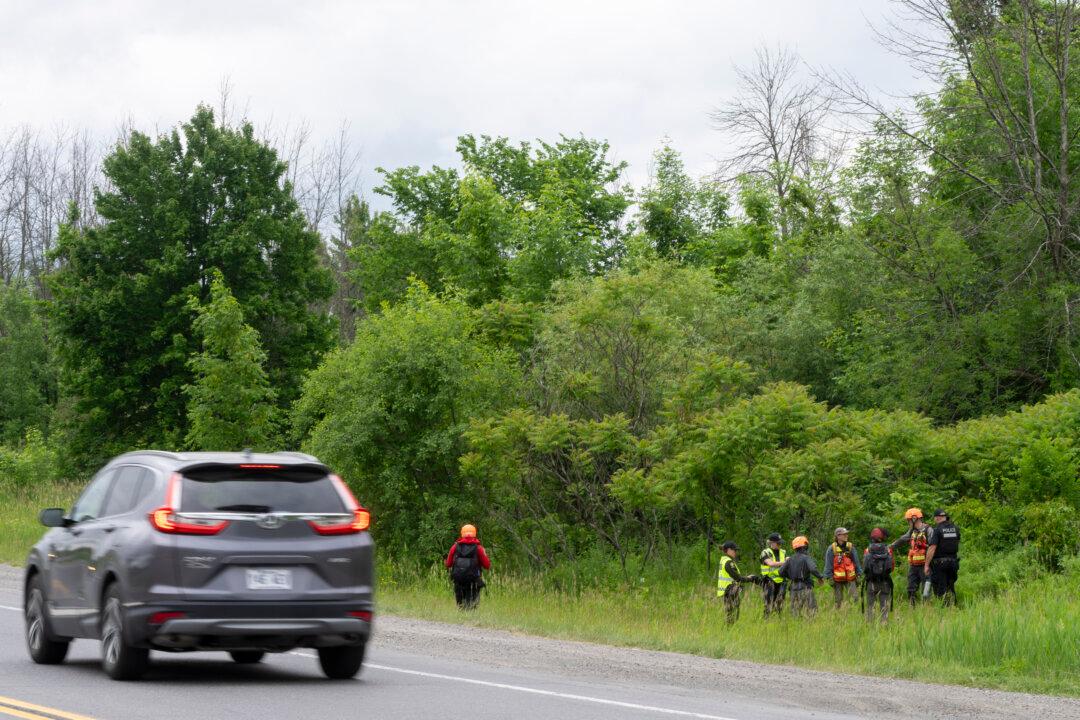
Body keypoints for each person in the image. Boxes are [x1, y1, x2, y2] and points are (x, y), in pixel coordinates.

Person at [890, 507, 932, 605]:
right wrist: (890, 547)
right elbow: (902, 540)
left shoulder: (928, 530)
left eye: (909, 520)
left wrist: (925, 547)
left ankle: (927, 608)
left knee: (925, 589)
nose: (908, 522)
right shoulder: (912, 531)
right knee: (911, 588)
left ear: (914, 519)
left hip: (925, 565)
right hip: (913, 566)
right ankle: (912, 607)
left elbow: (933, 547)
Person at [445, 524, 491, 609]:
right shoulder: (479, 548)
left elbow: (448, 564)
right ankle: (471, 619)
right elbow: (487, 565)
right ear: (474, 533)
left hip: (458, 579)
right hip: (473, 579)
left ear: (462, 533)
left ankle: (461, 618)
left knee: (461, 605)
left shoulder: (455, 547)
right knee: (472, 605)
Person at [778, 536, 824, 617]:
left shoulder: (789, 559)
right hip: (805, 587)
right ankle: (811, 628)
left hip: (793, 588)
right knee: (812, 611)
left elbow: (780, 572)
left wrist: (790, 577)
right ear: (805, 546)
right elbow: (813, 569)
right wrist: (820, 577)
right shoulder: (806, 558)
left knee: (795, 613)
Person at [716, 541, 760, 624]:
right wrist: (750, 578)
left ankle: (728, 632)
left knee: (730, 616)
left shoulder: (724, 560)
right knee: (732, 617)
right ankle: (728, 633)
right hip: (729, 592)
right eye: (734, 550)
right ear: (728, 550)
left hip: (728, 592)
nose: (736, 552)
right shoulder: (729, 562)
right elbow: (738, 578)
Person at [924, 509, 960, 605]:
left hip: (940, 564)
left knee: (940, 588)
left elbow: (932, 548)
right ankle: (953, 606)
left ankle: (944, 610)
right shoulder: (956, 528)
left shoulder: (937, 530)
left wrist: (926, 565)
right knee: (951, 586)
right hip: (953, 563)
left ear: (937, 518)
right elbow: (956, 543)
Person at [862, 527, 895, 623]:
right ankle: (884, 624)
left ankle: (870, 625)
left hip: (871, 582)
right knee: (884, 605)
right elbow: (891, 567)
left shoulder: (867, 550)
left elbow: (864, 568)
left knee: (870, 606)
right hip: (885, 582)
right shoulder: (888, 550)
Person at [824, 527, 861, 609]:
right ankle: (839, 615)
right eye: (844, 534)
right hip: (837, 579)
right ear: (838, 536)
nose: (846, 535)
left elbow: (856, 561)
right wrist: (829, 577)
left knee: (855, 598)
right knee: (838, 601)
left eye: (846, 534)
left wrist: (858, 574)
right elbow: (828, 564)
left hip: (850, 578)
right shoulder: (831, 549)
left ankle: (854, 614)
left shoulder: (850, 547)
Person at [759, 532, 787, 617]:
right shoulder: (765, 552)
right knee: (768, 604)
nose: (779, 545)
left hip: (781, 581)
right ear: (771, 543)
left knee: (779, 604)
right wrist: (785, 562)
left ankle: (778, 621)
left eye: (780, 543)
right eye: (778, 543)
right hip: (769, 581)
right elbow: (770, 563)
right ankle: (766, 621)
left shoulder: (783, 552)